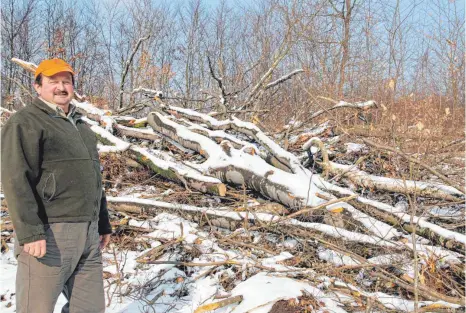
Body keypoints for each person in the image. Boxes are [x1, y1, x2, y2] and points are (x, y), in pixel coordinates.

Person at [1, 58, 112, 313]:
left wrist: (102, 222)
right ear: (38, 86)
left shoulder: (81, 126)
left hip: (88, 233)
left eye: (66, 81)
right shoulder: (25, 122)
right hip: (50, 234)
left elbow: (94, 177)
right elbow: (15, 178)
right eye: (53, 81)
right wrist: (30, 232)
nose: (61, 87)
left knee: (90, 308)